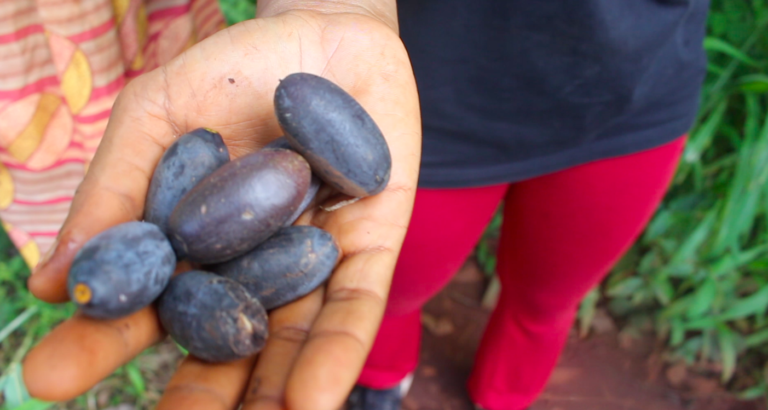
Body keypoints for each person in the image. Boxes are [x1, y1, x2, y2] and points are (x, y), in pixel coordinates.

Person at [1, 0, 707, 409]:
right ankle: (381, 383)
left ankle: (503, 395)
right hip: (433, 103)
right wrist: (331, 5)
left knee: (548, 296)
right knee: (390, 286)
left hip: (631, 101)